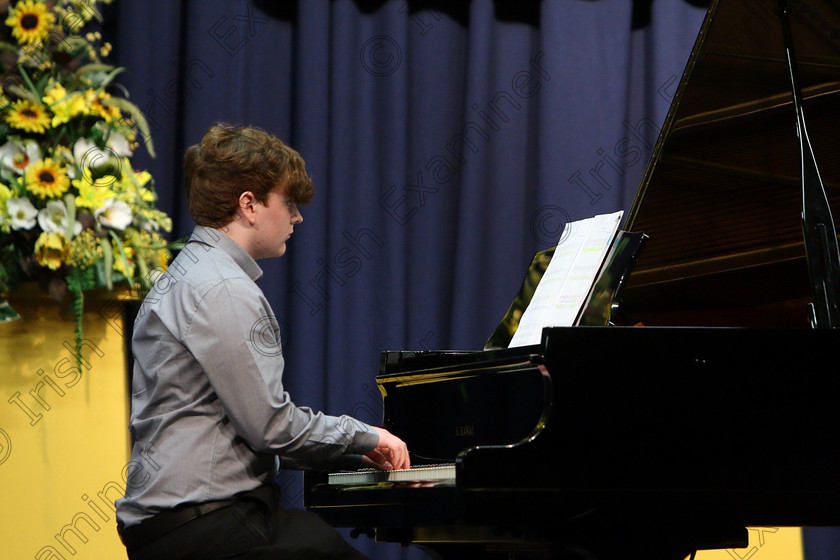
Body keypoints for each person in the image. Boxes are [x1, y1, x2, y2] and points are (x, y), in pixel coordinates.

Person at [115, 123, 410, 559]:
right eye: (288, 202)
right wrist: (367, 437)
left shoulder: (185, 272)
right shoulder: (223, 289)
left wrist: (348, 453)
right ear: (248, 205)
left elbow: (246, 430)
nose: (297, 217)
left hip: (187, 520)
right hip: (205, 525)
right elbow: (270, 428)